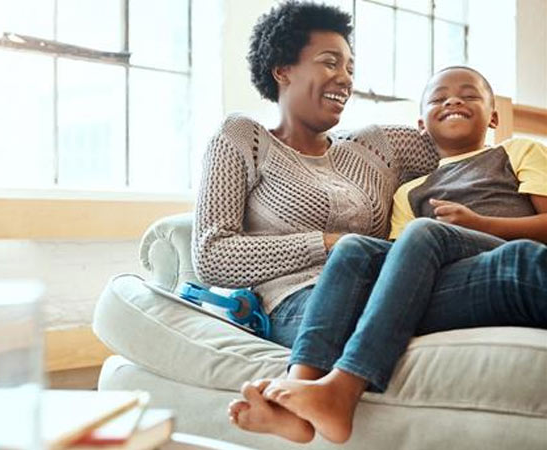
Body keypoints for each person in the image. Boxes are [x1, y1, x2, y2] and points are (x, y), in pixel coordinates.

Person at [190, 0, 547, 444]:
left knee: (517, 266)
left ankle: (319, 399)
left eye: (350, 67)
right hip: (306, 303)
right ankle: (311, 388)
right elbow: (211, 255)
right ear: (282, 69)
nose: (345, 77)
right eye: (329, 62)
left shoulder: (376, 146)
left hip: (394, 283)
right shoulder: (242, 137)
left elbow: (465, 141)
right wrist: (326, 243)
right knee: (370, 249)